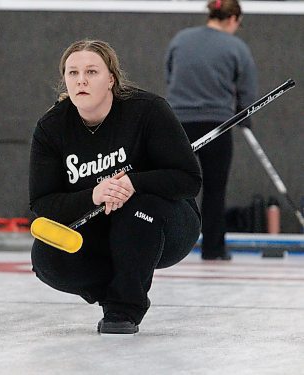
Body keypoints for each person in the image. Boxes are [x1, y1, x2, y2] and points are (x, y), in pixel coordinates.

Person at [29, 40, 202, 335]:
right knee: (46, 256)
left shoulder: (148, 111)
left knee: (137, 207)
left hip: (165, 226)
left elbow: (188, 179)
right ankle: (116, 288)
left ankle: (125, 307)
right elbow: (42, 203)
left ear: (111, 79)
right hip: (100, 230)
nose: (81, 80)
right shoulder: (51, 128)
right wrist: (93, 195)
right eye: (72, 73)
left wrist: (135, 182)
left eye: (91, 71)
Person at [165, 0, 257, 261]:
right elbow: (247, 89)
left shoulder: (181, 39)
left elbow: (170, 75)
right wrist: (245, 114)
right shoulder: (236, 47)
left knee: (174, 184)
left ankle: (165, 242)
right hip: (217, 124)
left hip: (178, 123)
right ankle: (213, 249)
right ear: (233, 19)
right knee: (215, 189)